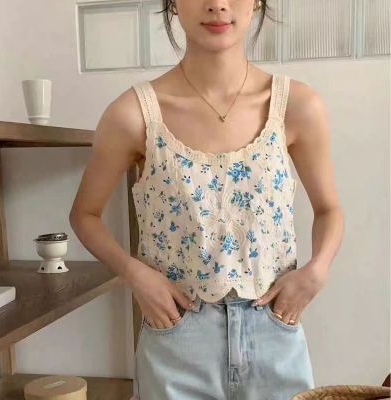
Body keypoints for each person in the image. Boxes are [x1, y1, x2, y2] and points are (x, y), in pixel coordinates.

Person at [69, 1, 344, 399]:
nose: (217, 4)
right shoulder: (134, 113)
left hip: (274, 330)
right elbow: (85, 214)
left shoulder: (296, 106)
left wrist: (317, 270)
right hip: (177, 334)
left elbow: (329, 209)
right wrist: (134, 274)